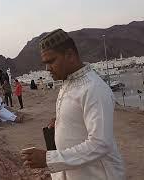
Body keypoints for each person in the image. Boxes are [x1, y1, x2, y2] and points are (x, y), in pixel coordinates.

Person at [21, 29, 125, 180]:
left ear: (69, 55)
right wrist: (61, 121)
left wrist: (48, 159)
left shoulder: (94, 88)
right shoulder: (68, 82)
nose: (47, 68)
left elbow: (100, 144)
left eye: (51, 61)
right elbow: (77, 113)